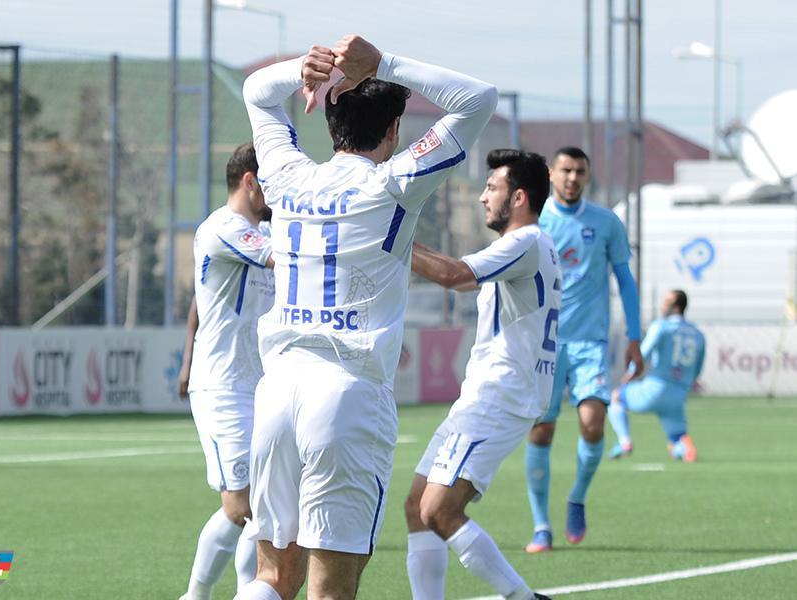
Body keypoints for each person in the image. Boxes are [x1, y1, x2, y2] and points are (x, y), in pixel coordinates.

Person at [237, 35, 498, 600]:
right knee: (331, 589)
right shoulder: (393, 183)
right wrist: (385, 64)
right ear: (394, 129)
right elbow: (479, 99)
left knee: (272, 578)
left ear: (330, 123)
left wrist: (304, 68)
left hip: (277, 391)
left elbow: (257, 91)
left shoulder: (286, 175)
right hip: (346, 393)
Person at [404, 149, 557, 600]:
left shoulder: (525, 242)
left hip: (500, 396)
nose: (482, 197)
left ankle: (523, 598)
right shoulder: (527, 245)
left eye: (492, 188)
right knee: (417, 506)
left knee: (439, 511)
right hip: (486, 396)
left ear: (519, 197)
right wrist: (397, 236)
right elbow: (459, 272)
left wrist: (388, 238)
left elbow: (453, 276)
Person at [524, 146, 644, 553]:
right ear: (551, 174)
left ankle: (576, 497)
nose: (572, 178)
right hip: (543, 344)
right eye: (566, 170)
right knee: (542, 430)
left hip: (590, 343)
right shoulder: (535, 220)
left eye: (579, 171)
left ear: (588, 176)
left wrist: (634, 337)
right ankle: (541, 526)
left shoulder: (606, 222)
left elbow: (625, 281)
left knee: (593, 424)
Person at [180, 142, 274, 600]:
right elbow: (286, 258)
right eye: (274, 182)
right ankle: (198, 595)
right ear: (250, 181)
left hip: (262, 385)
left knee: (264, 504)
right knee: (243, 506)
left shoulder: (265, 229)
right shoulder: (224, 229)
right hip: (224, 387)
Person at [608, 289, 705, 462]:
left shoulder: (662, 327)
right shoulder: (698, 334)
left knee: (616, 397)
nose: (662, 305)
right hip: (678, 395)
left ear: (676, 307)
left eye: (666, 302)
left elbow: (643, 353)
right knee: (676, 437)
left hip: (655, 388)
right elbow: (697, 370)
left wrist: (630, 374)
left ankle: (624, 442)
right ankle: (683, 448)